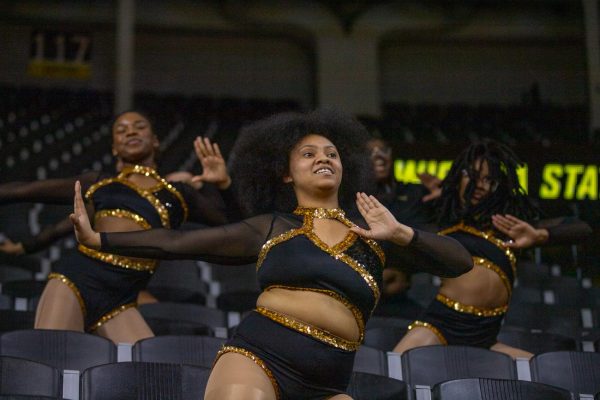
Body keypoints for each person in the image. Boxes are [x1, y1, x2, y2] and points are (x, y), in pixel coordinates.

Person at [72, 109, 473, 399]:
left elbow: (460, 261)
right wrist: (99, 240)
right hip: (259, 357)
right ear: (285, 173)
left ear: (345, 167)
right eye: (309, 153)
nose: (323, 159)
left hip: (329, 384)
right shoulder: (270, 226)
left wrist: (402, 234)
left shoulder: (375, 231)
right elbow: (176, 243)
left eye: (332, 153)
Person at [0, 110, 230, 343]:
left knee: (147, 370)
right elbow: (28, 192)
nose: (130, 131)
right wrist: (26, 247)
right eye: (121, 130)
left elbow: (232, 226)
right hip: (76, 279)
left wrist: (223, 185)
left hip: (121, 299)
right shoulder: (101, 183)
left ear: (155, 140)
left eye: (140, 126)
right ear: (114, 148)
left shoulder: (180, 193)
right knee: (51, 354)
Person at [393, 140, 592, 359]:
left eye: (489, 179)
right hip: (441, 325)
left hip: (485, 337)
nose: (480, 185)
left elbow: (583, 229)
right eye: (473, 176)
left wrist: (540, 236)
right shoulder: (442, 220)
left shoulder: (510, 225)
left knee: (545, 372)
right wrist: (425, 197)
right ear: (458, 177)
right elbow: (392, 222)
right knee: (399, 365)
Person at [367, 137, 438, 318]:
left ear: (391, 156)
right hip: (365, 295)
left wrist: (444, 196)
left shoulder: (417, 192)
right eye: (370, 153)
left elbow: (439, 236)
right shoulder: (351, 199)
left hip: (413, 289)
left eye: (383, 150)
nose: (378, 156)